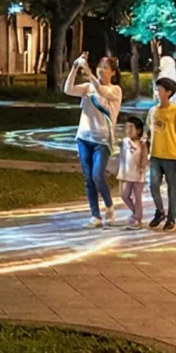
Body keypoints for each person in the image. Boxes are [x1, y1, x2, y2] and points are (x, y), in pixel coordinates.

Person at [64, 53, 121, 228]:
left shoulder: (114, 90)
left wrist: (88, 72)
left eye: (106, 68)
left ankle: (109, 205)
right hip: (83, 138)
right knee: (88, 178)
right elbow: (68, 89)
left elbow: (101, 90)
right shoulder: (88, 87)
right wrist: (74, 67)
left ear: (112, 72)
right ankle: (95, 215)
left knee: (97, 175)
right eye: (100, 67)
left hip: (102, 141)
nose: (102, 70)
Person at [146, 77, 176, 230]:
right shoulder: (153, 111)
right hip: (156, 155)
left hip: (171, 156)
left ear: (168, 92)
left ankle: (171, 218)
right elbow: (148, 131)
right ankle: (160, 211)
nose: (158, 92)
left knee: (172, 189)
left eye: (160, 89)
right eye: (157, 89)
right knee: (153, 185)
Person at [116, 115, 149, 229]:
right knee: (123, 195)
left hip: (138, 174)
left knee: (137, 197)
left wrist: (141, 167)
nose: (128, 130)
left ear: (138, 130)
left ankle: (137, 219)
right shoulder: (124, 142)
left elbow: (144, 158)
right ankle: (136, 213)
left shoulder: (142, 144)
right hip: (125, 173)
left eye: (131, 127)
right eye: (126, 127)